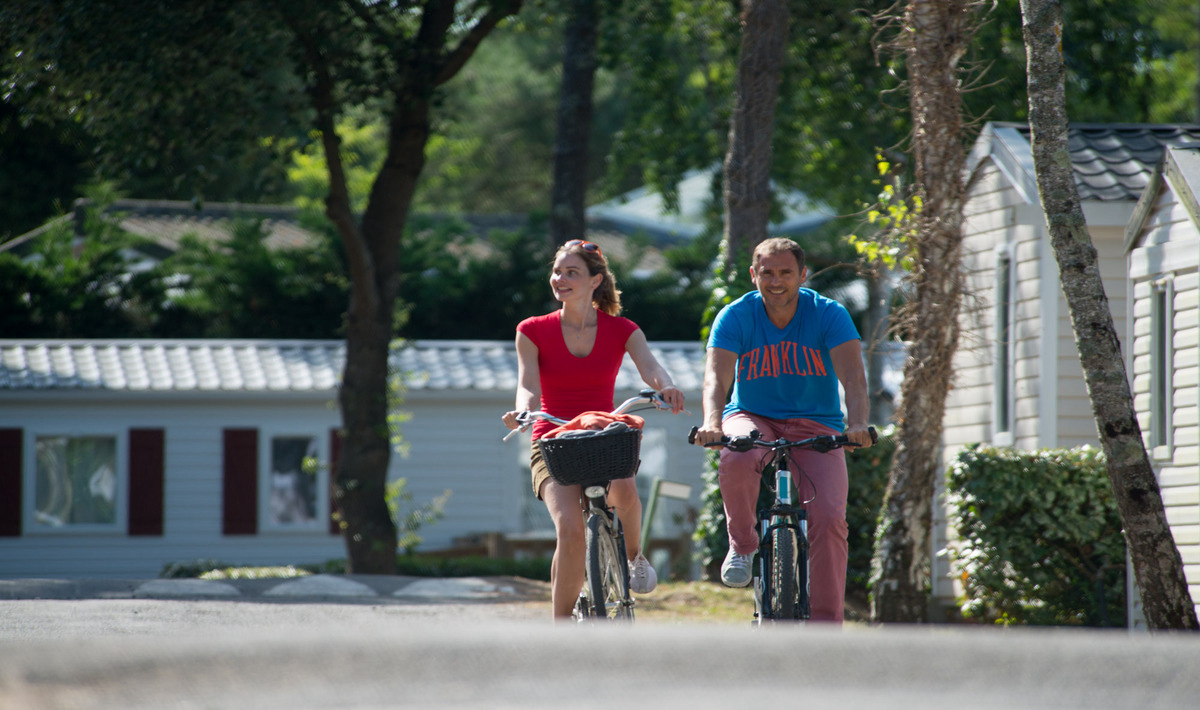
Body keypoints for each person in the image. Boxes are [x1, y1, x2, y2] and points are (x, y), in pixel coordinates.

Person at [690, 237, 873, 623]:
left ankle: (826, 623)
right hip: (753, 415)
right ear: (753, 275)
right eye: (767, 273)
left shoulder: (829, 314)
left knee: (828, 518)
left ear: (802, 275)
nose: (776, 281)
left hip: (817, 422)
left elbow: (854, 380)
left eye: (785, 273)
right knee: (736, 454)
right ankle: (742, 545)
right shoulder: (736, 315)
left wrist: (856, 424)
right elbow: (715, 380)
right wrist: (711, 422)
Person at [502, 239, 686, 620]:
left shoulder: (623, 329)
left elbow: (650, 367)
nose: (560, 279)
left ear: (595, 280)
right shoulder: (532, 330)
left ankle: (634, 556)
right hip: (552, 439)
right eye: (557, 271)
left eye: (572, 272)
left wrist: (664, 386)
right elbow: (528, 385)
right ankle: (560, 627)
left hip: (603, 435)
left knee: (626, 491)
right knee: (569, 531)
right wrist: (523, 411)